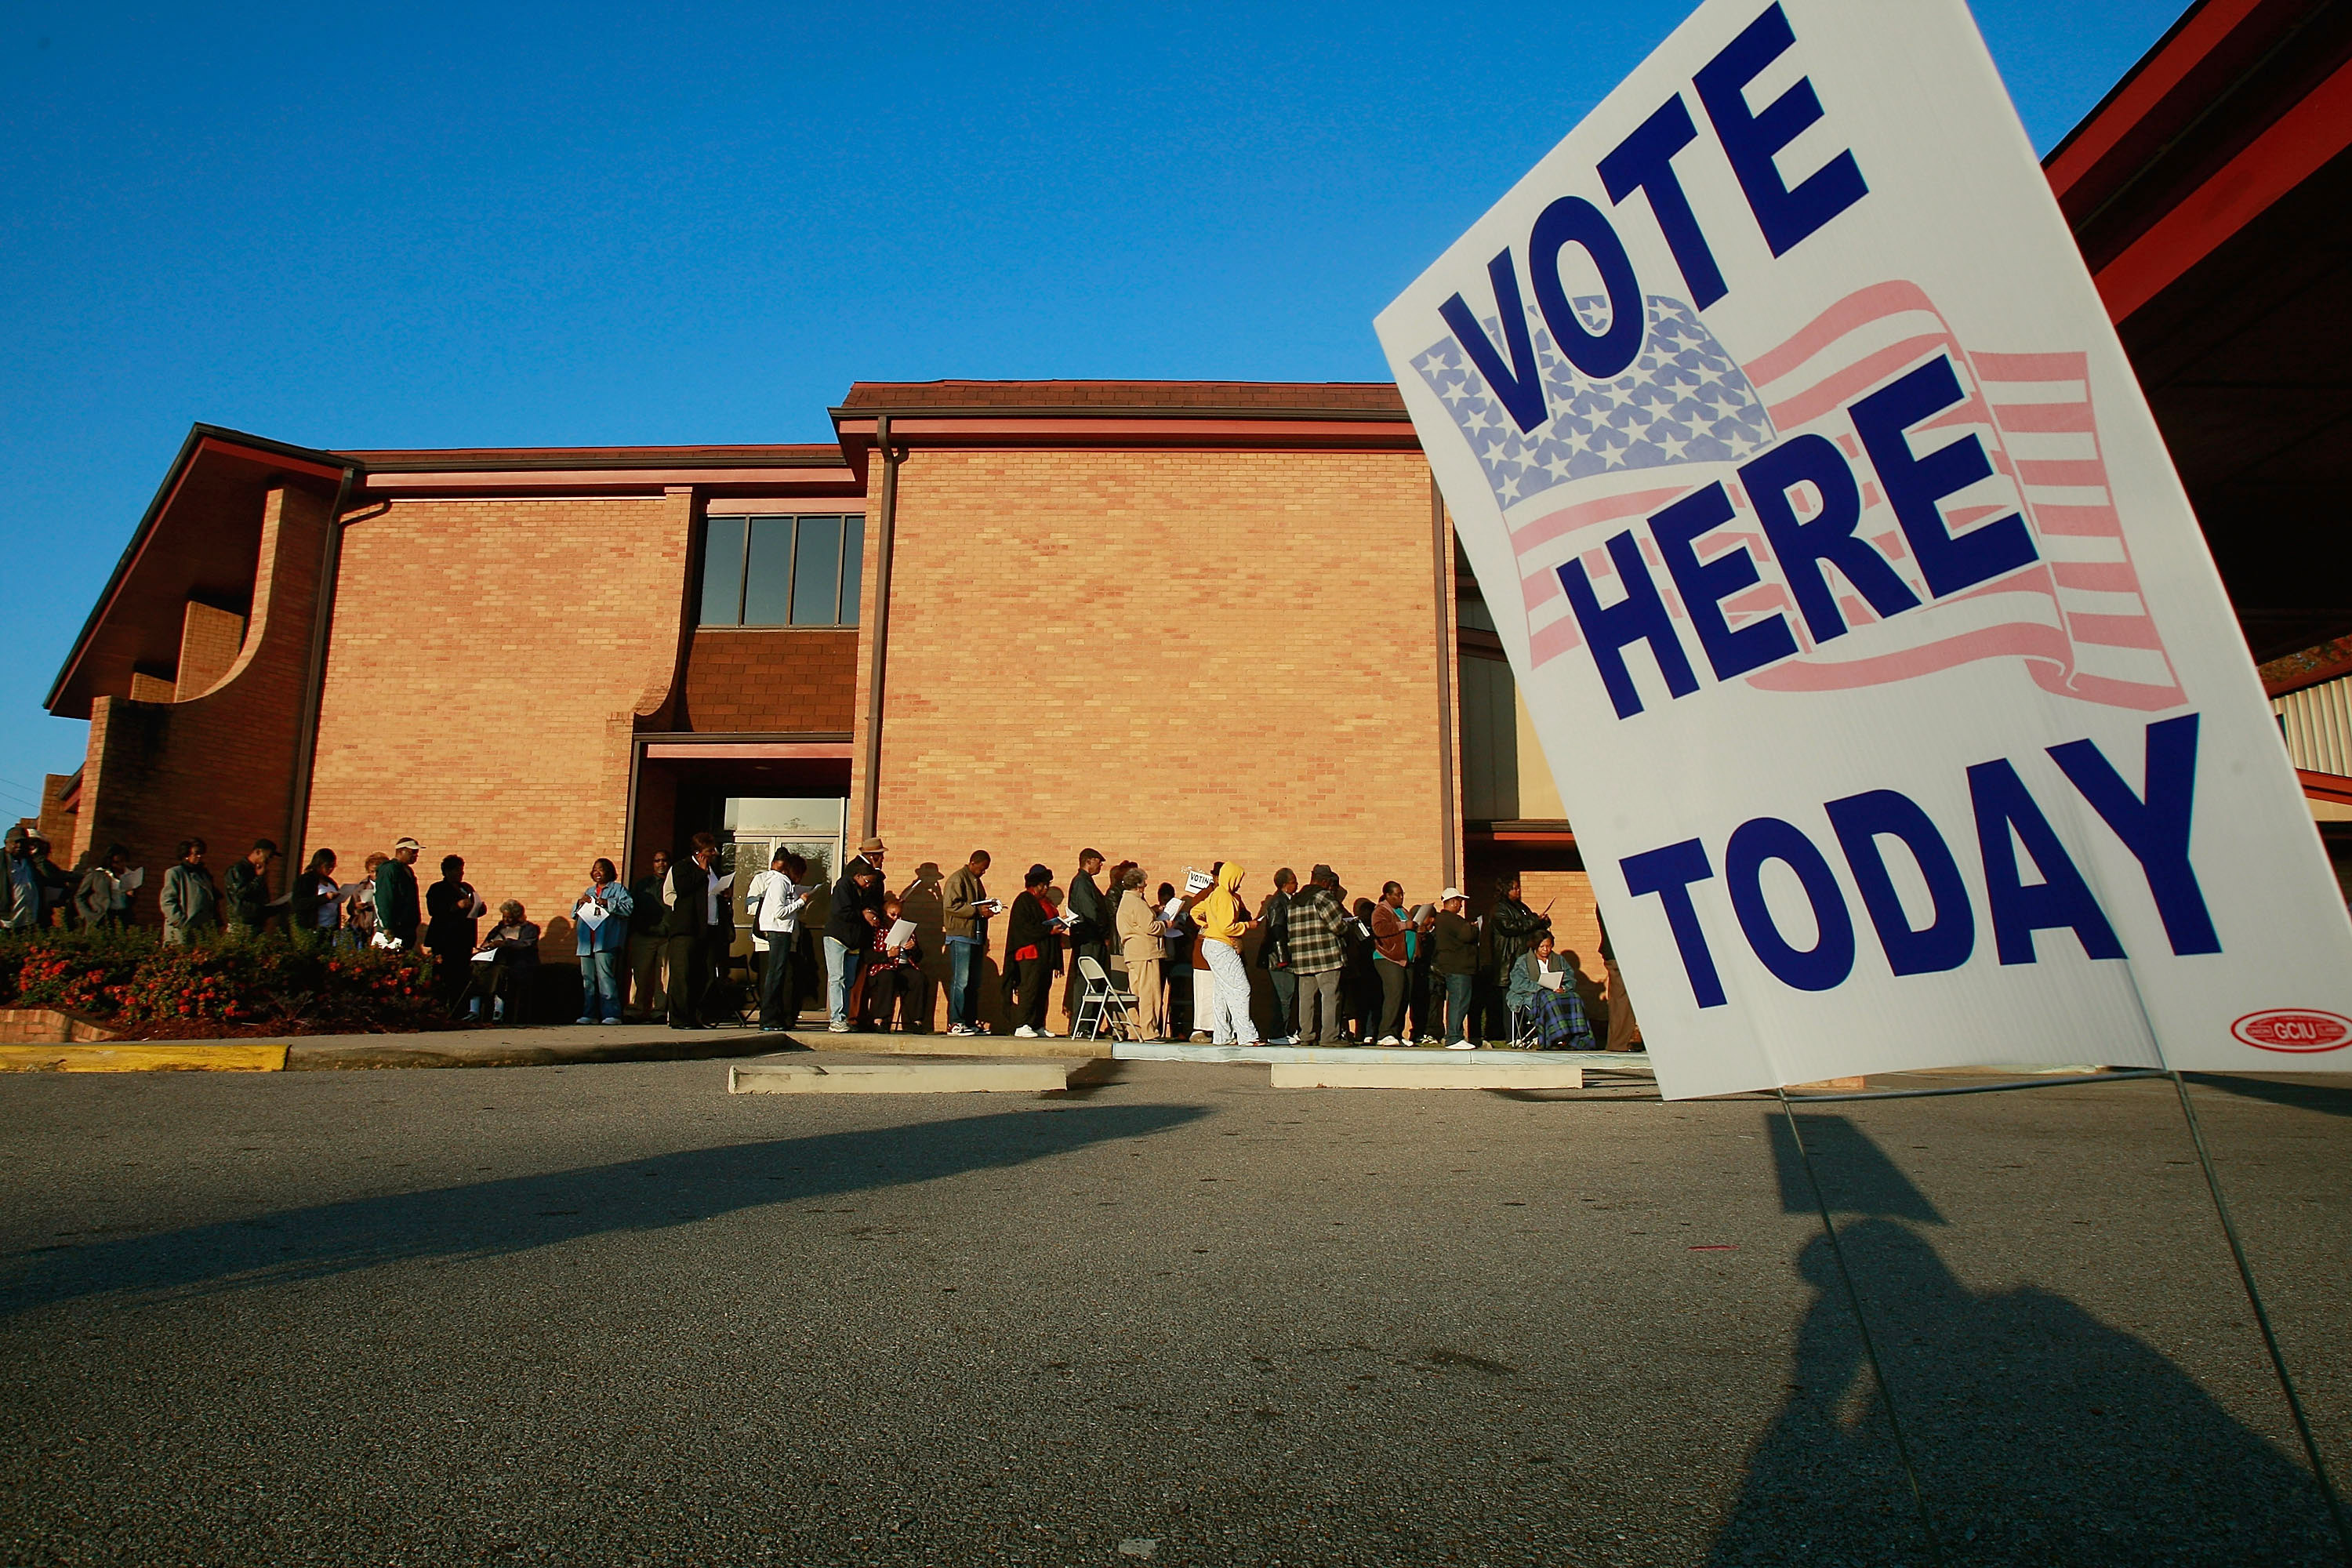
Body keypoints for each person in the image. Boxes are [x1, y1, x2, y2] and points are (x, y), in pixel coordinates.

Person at [1194, 862, 1261, 1046]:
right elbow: (1227, 927)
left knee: (1222, 992)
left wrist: (1208, 926)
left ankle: (1223, 1035)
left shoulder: (1215, 894)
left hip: (1210, 945)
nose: (1239, 884)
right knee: (1241, 988)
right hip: (1222, 946)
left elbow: (1195, 912)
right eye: (1238, 879)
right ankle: (1247, 1035)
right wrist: (1248, 925)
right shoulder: (1226, 897)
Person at [1482, 875, 1552, 1043]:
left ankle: (1527, 1033)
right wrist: (1534, 919)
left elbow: (1530, 926)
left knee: (1528, 995)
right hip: (1509, 961)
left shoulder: (1521, 907)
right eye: (1515, 888)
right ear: (1506, 890)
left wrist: (1542, 923)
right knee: (1511, 999)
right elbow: (1511, 927)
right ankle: (1512, 1035)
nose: (1518, 891)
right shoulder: (1499, 909)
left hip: (1524, 959)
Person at [746, 849, 810, 1032]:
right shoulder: (779, 883)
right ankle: (768, 1018)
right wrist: (800, 902)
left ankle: (776, 1017)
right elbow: (779, 912)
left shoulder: (786, 884)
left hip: (784, 932)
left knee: (779, 976)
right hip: (777, 932)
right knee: (774, 976)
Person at [1287, 865, 1350, 1047]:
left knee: (1306, 999)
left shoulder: (1295, 899)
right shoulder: (1323, 897)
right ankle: (1329, 1037)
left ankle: (1306, 1035)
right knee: (1330, 997)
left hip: (1301, 958)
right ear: (1325, 881)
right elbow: (1337, 925)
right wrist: (1348, 927)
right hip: (1326, 957)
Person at [1001, 864, 1063, 1038]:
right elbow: (1023, 928)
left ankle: (1037, 1024)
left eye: (1047, 885)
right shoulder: (1024, 900)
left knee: (1043, 989)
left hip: (1045, 954)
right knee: (1029, 989)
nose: (1046, 888)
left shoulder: (1045, 902)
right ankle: (1022, 1024)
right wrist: (1048, 931)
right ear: (1034, 884)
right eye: (1043, 885)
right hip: (1029, 953)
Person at [823, 854, 884, 1033]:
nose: (868, 885)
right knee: (837, 979)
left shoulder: (862, 891)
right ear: (857, 876)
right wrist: (863, 914)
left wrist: (871, 914)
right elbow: (841, 912)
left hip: (853, 941)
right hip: (837, 938)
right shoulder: (843, 886)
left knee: (849, 981)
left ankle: (846, 1017)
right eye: (867, 881)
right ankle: (836, 1019)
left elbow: (867, 907)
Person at [942, 849, 996, 1036]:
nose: (983, 872)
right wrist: (978, 911)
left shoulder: (975, 881)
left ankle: (970, 1022)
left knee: (974, 982)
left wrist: (989, 908)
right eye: (982, 868)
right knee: (961, 981)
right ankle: (955, 1023)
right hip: (960, 935)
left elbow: (977, 905)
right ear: (973, 863)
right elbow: (951, 905)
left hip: (975, 935)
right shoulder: (958, 879)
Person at [1508, 931, 1595, 1050]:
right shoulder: (1523, 961)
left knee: (1575, 998)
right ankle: (1556, 1038)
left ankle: (1578, 1039)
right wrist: (1542, 987)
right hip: (1533, 995)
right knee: (1549, 999)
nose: (1546, 949)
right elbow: (1518, 983)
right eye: (1542, 946)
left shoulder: (1559, 960)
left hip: (1556, 993)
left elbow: (1571, 979)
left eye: (1549, 946)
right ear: (1535, 946)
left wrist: (1564, 988)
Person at [574, 858, 633, 1025]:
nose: (597, 872)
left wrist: (608, 903)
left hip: (605, 942)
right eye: (595, 870)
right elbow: (575, 914)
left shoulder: (618, 889)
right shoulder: (590, 891)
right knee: (588, 979)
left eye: (601, 869)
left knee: (605, 977)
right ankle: (589, 1014)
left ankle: (612, 1014)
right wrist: (579, 903)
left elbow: (629, 908)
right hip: (587, 943)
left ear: (609, 871)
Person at [670, 833, 720, 1029]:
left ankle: (698, 1016)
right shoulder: (682, 868)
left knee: (705, 974)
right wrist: (701, 871)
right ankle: (680, 1018)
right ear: (699, 853)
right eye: (710, 851)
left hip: (709, 928)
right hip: (687, 929)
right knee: (683, 975)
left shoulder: (714, 870)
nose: (714, 854)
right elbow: (682, 889)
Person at [463, 900, 539, 1023]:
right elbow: (487, 941)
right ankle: (474, 1010)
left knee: (499, 973)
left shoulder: (529, 929)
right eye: (504, 917)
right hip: (493, 961)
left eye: (510, 917)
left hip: (517, 962)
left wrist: (506, 944)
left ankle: (498, 1010)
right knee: (476, 970)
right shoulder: (499, 928)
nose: (506, 920)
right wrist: (487, 946)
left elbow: (526, 944)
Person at [1114, 865, 1165, 1040]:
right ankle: (1149, 1031)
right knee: (1149, 993)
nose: (1145, 886)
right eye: (1143, 883)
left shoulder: (1125, 901)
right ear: (1137, 885)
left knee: (1134, 993)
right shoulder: (1137, 902)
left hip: (1131, 952)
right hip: (1146, 953)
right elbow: (1150, 926)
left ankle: (1134, 1030)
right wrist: (1165, 925)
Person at [1061, 848, 1112, 1018]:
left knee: (1093, 982)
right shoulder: (1082, 883)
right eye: (1099, 861)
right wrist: (1104, 934)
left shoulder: (1086, 882)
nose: (1101, 865)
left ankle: (1088, 1023)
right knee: (1087, 982)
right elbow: (1091, 912)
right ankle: (1082, 1024)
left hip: (1090, 938)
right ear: (1089, 861)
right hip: (1088, 939)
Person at [425, 855, 480, 1013]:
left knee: (461, 975)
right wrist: (456, 906)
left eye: (462, 871)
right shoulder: (437, 888)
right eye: (457, 871)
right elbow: (434, 910)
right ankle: (439, 1008)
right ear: (447, 871)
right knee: (443, 975)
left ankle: (460, 1010)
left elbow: (477, 904)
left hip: (464, 938)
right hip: (445, 938)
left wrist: (478, 907)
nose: (460, 874)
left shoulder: (466, 888)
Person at [863, 892, 924, 1031]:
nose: (896, 918)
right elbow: (868, 955)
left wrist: (912, 948)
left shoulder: (907, 930)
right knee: (887, 977)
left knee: (918, 978)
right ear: (885, 914)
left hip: (903, 965)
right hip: (882, 966)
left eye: (899, 915)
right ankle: (880, 1020)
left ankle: (915, 1021)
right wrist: (887, 954)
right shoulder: (877, 930)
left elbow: (919, 957)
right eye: (893, 915)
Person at [626, 851, 674, 1021]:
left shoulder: (675, 883)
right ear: (653, 864)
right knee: (639, 973)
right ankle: (635, 1009)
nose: (661, 864)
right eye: (657, 861)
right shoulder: (643, 885)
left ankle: (659, 1011)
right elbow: (632, 908)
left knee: (664, 976)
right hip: (644, 935)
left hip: (667, 936)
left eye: (664, 860)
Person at [1432, 887, 1480, 1049]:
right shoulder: (1449, 918)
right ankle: (1454, 1037)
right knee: (1459, 1001)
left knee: (1456, 1001)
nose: (1461, 905)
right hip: (1458, 967)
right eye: (1459, 902)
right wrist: (1474, 927)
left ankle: (1454, 1035)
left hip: (1455, 966)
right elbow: (1467, 934)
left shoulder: (1445, 919)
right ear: (1452, 902)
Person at [1256, 869, 1298, 1044]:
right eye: (1294, 882)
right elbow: (1277, 931)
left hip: (1282, 957)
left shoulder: (1286, 901)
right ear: (1285, 885)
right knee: (1284, 997)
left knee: (1287, 996)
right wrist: (1282, 958)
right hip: (1278, 958)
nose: (1297, 884)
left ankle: (1285, 1031)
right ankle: (1277, 1034)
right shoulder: (1278, 903)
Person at [1370, 882, 1413, 1044]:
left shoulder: (1403, 911)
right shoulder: (1381, 910)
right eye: (1397, 894)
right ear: (1387, 895)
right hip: (1388, 957)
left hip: (1405, 959)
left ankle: (1397, 1033)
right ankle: (1384, 1033)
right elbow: (1379, 929)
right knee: (1394, 994)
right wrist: (1404, 925)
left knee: (1404, 996)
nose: (1400, 897)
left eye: (1402, 894)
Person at [160, 838, 221, 946]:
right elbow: (167, 900)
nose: (200, 857)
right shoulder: (175, 873)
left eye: (201, 853)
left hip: (201, 929)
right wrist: (179, 921)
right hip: (183, 928)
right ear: (186, 854)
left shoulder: (204, 875)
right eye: (196, 853)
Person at [1599, 909, 1641, 1052]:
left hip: (1616, 953)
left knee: (1620, 1001)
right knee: (1622, 1001)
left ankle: (1619, 1043)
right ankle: (1620, 1043)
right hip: (1622, 953)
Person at [374, 837, 423, 949]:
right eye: (412, 852)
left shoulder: (407, 870)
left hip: (407, 927)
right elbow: (384, 898)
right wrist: (388, 926)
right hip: (395, 928)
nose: (415, 855)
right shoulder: (389, 869)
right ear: (401, 851)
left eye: (416, 852)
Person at [223, 839, 278, 936]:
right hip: (242, 923)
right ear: (258, 852)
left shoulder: (258, 870)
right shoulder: (239, 869)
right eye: (268, 856)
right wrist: (259, 878)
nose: (269, 860)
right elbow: (241, 893)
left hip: (256, 921)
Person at [74, 844, 136, 930]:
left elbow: (130, 900)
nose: (121, 865)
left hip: (122, 915)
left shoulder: (129, 875)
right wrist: (87, 915)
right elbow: (80, 896)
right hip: (101, 915)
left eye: (123, 861)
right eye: (117, 862)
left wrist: (131, 895)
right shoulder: (97, 874)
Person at [288, 848, 340, 940]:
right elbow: (298, 903)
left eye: (333, 866)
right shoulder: (305, 880)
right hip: (313, 930)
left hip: (329, 929)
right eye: (328, 866)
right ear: (319, 864)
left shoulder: (331, 882)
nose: (331, 869)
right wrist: (324, 898)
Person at [346, 853, 388, 947]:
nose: (375, 875)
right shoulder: (362, 887)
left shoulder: (389, 886)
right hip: (365, 928)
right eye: (372, 871)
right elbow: (350, 909)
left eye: (378, 871)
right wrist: (357, 907)